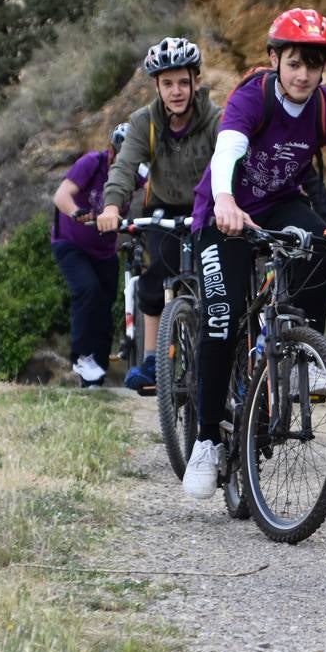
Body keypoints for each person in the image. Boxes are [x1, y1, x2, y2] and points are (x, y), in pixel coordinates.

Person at [183, 8, 326, 499]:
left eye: (313, 66)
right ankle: (207, 441)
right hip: (224, 213)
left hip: (279, 206)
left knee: (319, 241)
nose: (302, 75)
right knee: (222, 320)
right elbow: (228, 150)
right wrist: (226, 202)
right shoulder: (251, 96)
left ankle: (303, 348)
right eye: (294, 63)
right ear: (274, 59)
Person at [96, 37, 221, 391]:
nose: (176, 91)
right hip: (163, 209)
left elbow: (230, 163)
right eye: (168, 84)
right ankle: (153, 360)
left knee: (218, 282)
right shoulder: (143, 122)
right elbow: (124, 167)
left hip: (208, 209)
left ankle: (231, 364)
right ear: (157, 86)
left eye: (183, 82)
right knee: (155, 279)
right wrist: (110, 207)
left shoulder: (215, 119)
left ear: (196, 81)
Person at [51, 123, 135, 387]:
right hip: (71, 243)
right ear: (112, 152)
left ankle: (95, 378)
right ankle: (81, 358)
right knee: (87, 290)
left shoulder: (137, 173)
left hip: (105, 250)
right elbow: (61, 195)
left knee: (105, 306)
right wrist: (76, 212)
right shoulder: (92, 163)